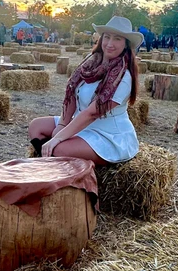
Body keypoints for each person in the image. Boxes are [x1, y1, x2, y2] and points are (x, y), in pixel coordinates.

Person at [28, 15, 141, 166]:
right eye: (107, 37)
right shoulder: (91, 61)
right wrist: (62, 124)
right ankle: (47, 165)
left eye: (117, 39)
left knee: (60, 149)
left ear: (126, 45)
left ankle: (56, 167)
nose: (110, 43)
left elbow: (92, 113)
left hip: (108, 135)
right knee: (36, 126)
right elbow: (73, 92)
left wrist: (58, 138)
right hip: (80, 124)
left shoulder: (123, 77)